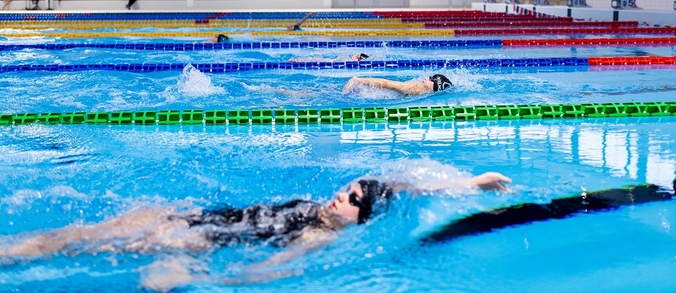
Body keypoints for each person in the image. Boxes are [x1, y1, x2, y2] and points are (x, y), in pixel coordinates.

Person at [0, 170, 511, 289]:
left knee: (137, 268)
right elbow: (406, 186)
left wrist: (229, 279)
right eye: (347, 188)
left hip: (205, 240)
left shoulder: (323, 234)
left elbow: (274, 267)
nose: (343, 195)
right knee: (78, 233)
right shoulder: (338, 208)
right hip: (197, 216)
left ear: (363, 218)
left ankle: (175, 273)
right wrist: (473, 183)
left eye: (354, 200)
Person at [343, 73, 452, 96]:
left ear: (435, 86)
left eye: (431, 79)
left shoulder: (418, 90)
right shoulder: (416, 90)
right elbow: (387, 84)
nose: (426, 78)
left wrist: (358, 81)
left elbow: (386, 84)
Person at [289, 52, 369, 63]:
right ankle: (297, 60)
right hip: (328, 61)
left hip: (327, 61)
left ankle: (297, 60)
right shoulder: (348, 60)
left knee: (312, 59)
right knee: (313, 59)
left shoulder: (351, 61)